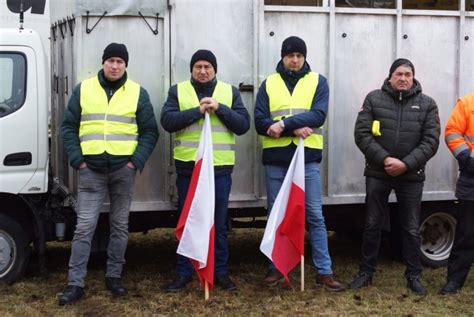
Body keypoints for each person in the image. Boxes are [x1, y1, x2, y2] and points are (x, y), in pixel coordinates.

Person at [59, 43, 159, 305]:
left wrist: (134, 162)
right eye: (111, 60)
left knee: (119, 226)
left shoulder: (138, 93)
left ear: (126, 65)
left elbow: (150, 131)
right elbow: (68, 127)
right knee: (84, 228)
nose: (115, 66)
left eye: (120, 62)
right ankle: (75, 283)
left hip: (122, 171)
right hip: (90, 171)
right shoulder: (85, 89)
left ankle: (114, 277)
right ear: (103, 62)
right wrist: (77, 160)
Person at [254, 36, 344, 292]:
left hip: (307, 159)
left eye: (299, 56)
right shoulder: (269, 84)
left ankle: (324, 271)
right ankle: (276, 268)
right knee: (276, 215)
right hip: (276, 160)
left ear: (304, 58)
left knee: (315, 215)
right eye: (290, 55)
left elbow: (318, 115)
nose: (295, 60)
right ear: (282, 57)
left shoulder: (318, 81)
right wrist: (291, 130)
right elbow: (259, 121)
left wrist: (281, 124)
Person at [161, 49, 250, 292]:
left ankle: (220, 272)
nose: (202, 71)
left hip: (219, 169)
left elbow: (243, 125)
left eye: (207, 67)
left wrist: (220, 108)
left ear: (215, 70)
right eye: (198, 66)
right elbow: (167, 121)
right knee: (189, 221)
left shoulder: (229, 92)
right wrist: (197, 112)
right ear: (191, 69)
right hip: (189, 169)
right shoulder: (177, 91)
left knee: (219, 223)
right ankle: (184, 272)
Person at [350, 58, 440, 295]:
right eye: (399, 74)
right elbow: (362, 134)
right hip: (378, 172)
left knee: (410, 228)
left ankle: (413, 276)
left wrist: (405, 164)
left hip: (411, 176)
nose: (403, 78)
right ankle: (366, 273)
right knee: (372, 225)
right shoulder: (373, 99)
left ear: (413, 78)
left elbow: (431, 141)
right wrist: (385, 160)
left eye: (408, 74)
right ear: (390, 77)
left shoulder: (427, 104)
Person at [439, 92, 474, 295]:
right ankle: (455, 281)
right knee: (466, 234)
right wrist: (467, 159)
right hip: (471, 178)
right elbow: (452, 131)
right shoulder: (468, 102)